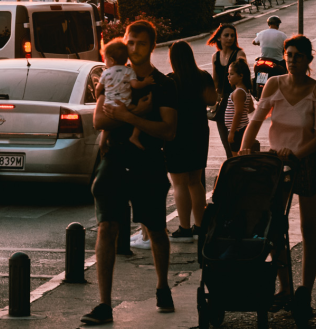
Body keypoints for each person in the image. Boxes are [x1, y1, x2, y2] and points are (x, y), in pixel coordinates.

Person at [83, 20, 178, 323]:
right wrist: (132, 115)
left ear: (152, 46)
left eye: (140, 43)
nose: (134, 48)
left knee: (155, 227)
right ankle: (104, 304)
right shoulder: (112, 77)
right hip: (113, 159)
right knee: (106, 227)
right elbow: (99, 120)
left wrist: (125, 117)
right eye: (130, 42)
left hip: (148, 160)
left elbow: (168, 130)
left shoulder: (163, 84)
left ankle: (163, 285)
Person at [238, 34, 316, 321]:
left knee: (307, 229)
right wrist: (242, 150)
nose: (291, 60)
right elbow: (256, 121)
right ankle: (285, 286)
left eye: (297, 56)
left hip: (307, 160)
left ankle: (305, 291)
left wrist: (296, 155)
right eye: (288, 55)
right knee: (274, 228)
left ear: (308, 59)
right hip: (277, 163)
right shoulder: (275, 84)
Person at [165, 40, 219, 241]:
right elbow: (212, 100)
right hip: (198, 131)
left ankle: (184, 228)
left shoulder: (171, 81)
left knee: (179, 183)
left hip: (177, 133)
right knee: (195, 182)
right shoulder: (202, 76)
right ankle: (200, 225)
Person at [95, 39, 143, 151]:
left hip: (109, 105)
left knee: (107, 128)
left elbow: (98, 88)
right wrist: (144, 83)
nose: (104, 62)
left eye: (105, 59)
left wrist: (98, 97)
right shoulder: (129, 71)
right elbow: (135, 85)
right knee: (141, 112)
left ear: (111, 60)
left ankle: (102, 143)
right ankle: (135, 136)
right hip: (125, 104)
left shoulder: (106, 72)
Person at [208, 23, 247, 160]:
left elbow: (244, 75)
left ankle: (236, 171)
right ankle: (232, 169)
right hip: (222, 102)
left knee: (236, 142)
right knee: (226, 143)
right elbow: (215, 81)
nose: (230, 38)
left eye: (232, 35)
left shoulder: (239, 54)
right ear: (219, 38)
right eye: (226, 35)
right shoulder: (215, 57)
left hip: (236, 100)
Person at [225, 58, 255, 152]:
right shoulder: (245, 91)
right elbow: (250, 109)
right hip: (241, 129)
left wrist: (232, 132)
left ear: (241, 76)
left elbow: (238, 113)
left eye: (231, 74)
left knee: (236, 157)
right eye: (228, 74)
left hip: (238, 130)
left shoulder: (238, 92)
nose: (228, 76)